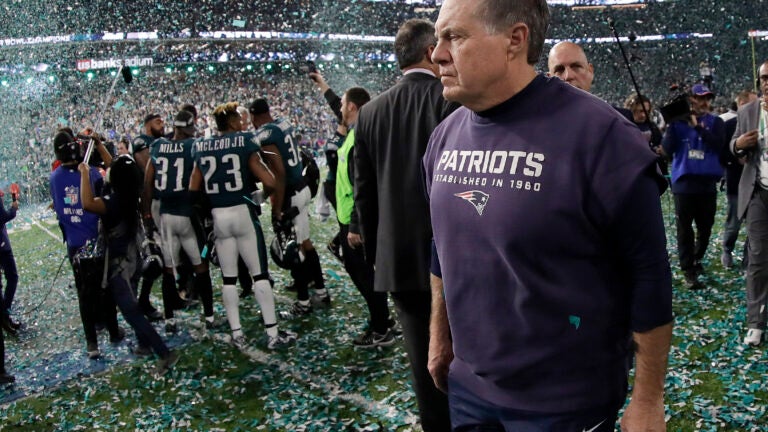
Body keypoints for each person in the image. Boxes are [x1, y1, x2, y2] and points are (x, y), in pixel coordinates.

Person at [424, 1, 673, 431]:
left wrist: (648, 399)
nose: (437, 53)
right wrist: (439, 334)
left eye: (455, 37)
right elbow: (441, 246)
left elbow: (649, 274)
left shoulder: (603, 137)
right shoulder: (443, 137)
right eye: (438, 37)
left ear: (514, 41)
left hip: (564, 402)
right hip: (468, 390)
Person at [354, 18, 459, 432]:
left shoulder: (370, 113)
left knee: (425, 367)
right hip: (450, 257)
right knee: (468, 357)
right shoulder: (449, 99)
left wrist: (377, 259)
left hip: (397, 259)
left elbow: (365, 195)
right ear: (429, 51)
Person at [189, 102, 296, 349]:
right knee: (259, 274)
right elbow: (269, 179)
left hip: (218, 216)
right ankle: (272, 335)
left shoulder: (202, 146)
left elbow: (193, 189)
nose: (242, 119)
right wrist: (257, 196)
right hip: (242, 212)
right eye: (238, 116)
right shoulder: (244, 141)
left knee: (228, 279)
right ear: (231, 122)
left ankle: (237, 334)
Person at [79, 155, 179, 376]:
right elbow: (121, 168)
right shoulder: (130, 196)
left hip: (120, 265)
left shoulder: (112, 202)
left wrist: (84, 173)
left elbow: (86, 203)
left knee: (131, 312)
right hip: (133, 260)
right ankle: (144, 346)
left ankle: (164, 353)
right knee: (134, 304)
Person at [250, 98, 329, 316]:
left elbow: (279, 173)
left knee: (292, 248)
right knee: (305, 243)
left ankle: (303, 302)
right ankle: (321, 290)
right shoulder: (282, 124)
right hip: (301, 187)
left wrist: (276, 209)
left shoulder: (265, 135)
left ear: (254, 116)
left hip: (290, 194)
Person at [50, 128, 124, 359]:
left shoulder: (54, 178)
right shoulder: (91, 174)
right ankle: (113, 332)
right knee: (107, 288)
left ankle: (92, 343)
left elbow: (60, 210)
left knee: (84, 293)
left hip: (73, 243)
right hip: (96, 240)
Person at [143, 110, 217, 333]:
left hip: (165, 216)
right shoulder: (193, 145)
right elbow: (202, 178)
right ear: (185, 128)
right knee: (200, 265)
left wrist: (147, 214)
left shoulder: (157, 146)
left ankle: (169, 319)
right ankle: (210, 316)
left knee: (168, 268)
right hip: (186, 215)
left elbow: (148, 182)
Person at [333, 87, 396, 347]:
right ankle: (384, 321)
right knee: (363, 271)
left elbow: (363, 184)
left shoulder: (359, 135)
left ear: (352, 107)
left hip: (354, 218)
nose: (339, 109)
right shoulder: (358, 132)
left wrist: (355, 225)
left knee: (363, 274)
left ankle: (381, 328)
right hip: (350, 215)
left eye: (342, 104)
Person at [662, 83, 726, 289]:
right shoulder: (678, 124)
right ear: (692, 100)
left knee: (705, 229)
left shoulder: (716, 122)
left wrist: (697, 126)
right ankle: (688, 270)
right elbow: (668, 150)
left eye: (708, 98)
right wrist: (671, 125)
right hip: (684, 184)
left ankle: (697, 257)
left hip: (707, 184)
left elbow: (718, 145)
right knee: (684, 230)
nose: (704, 102)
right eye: (700, 98)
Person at [731, 61, 768, 346]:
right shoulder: (748, 112)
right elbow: (733, 146)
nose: (766, 82)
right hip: (758, 192)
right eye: (763, 78)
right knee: (757, 256)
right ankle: (756, 322)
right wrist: (739, 143)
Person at [131, 113, 167, 321]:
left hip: (166, 202)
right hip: (150, 204)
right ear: (147, 125)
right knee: (153, 256)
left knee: (169, 253)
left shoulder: (162, 142)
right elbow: (149, 171)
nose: (162, 125)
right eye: (157, 121)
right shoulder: (141, 142)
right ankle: (142, 300)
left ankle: (175, 296)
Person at [548, 41, 633, 121]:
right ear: (549, 78)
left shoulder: (619, 120)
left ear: (590, 71)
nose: (568, 76)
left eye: (576, 67)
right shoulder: (537, 124)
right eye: (559, 70)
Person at [720, 90, 757, 269]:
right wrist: (736, 154)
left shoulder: (760, 124)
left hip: (757, 185)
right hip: (736, 182)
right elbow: (723, 151)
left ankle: (747, 259)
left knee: (754, 226)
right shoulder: (729, 124)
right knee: (734, 223)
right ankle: (727, 250)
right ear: (742, 104)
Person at [0, 187, 20, 334]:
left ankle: (5, 318)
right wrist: (13, 208)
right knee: (12, 277)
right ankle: (4, 314)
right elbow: (3, 217)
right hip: (1, 245)